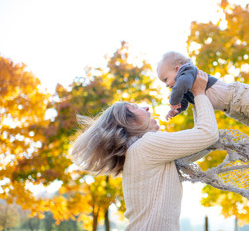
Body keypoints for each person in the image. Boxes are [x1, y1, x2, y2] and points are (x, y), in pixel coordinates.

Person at [70, 71, 219, 231]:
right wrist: (199, 92)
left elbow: (202, 142)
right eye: (135, 108)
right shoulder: (147, 146)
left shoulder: (138, 150)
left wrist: (195, 100)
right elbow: (208, 134)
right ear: (128, 122)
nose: (146, 107)